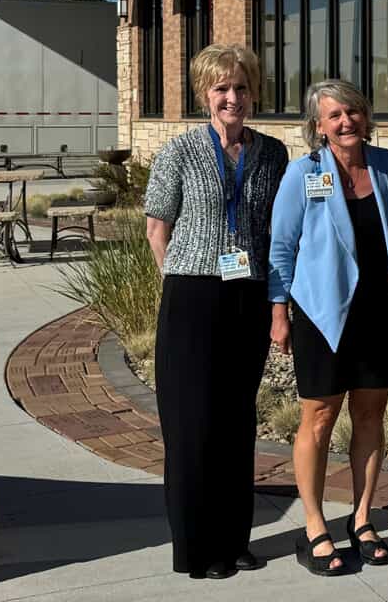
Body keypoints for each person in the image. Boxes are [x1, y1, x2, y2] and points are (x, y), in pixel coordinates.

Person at [144, 43, 288, 579]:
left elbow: (276, 230)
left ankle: (235, 539)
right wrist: (183, 277)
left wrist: (277, 301)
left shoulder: (273, 153)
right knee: (191, 425)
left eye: (241, 87)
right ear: (205, 93)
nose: (233, 97)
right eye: (222, 88)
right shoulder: (179, 151)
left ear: (253, 92)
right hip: (192, 298)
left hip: (246, 296)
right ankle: (197, 548)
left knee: (235, 423)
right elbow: (158, 228)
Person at [268, 80, 388, 576]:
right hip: (323, 316)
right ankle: (314, 527)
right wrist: (278, 310)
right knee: (320, 418)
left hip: (380, 313)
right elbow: (281, 247)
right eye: (334, 116)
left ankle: (364, 519)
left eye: (352, 111)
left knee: (370, 417)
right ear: (318, 126)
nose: (346, 121)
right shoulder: (302, 173)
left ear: (365, 116)